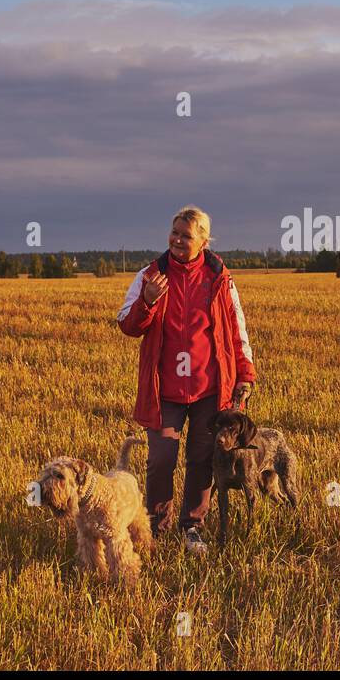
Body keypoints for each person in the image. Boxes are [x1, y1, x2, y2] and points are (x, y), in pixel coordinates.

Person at [117, 206, 256, 554]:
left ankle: (192, 526)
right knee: (161, 457)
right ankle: (156, 526)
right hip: (165, 389)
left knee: (201, 457)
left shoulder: (220, 278)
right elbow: (127, 325)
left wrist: (245, 373)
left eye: (187, 235)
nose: (178, 240)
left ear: (204, 241)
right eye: (175, 232)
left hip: (210, 387)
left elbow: (236, 330)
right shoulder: (151, 275)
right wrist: (147, 303)